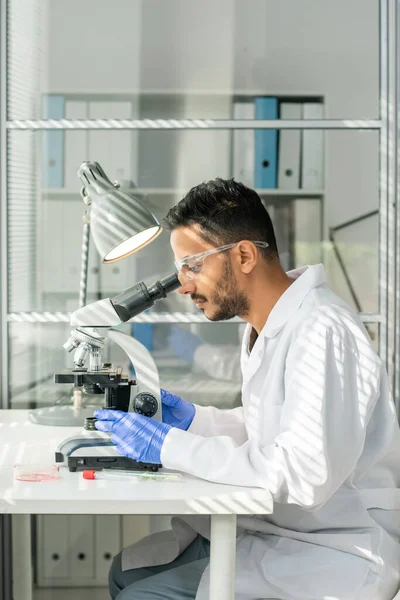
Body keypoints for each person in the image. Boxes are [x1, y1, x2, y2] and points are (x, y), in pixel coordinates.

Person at [94, 179, 400, 600]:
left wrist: (169, 447)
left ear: (243, 254)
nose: (183, 286)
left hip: (337, 547)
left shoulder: (322, 331)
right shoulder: (270, 325)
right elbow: (278, 429)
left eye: (193, 266)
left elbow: (304, 473)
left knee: (137, 595)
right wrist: (197, 421)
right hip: (284, 527)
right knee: (125, 571)